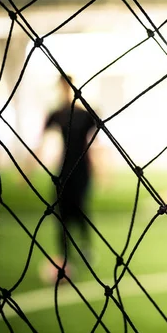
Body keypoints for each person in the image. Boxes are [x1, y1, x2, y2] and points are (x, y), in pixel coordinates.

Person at [37, 74, 97, 276]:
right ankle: (64, 257)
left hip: (82, 170)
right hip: (63, 170)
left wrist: (102, 168)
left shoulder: (85, 114)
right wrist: (27, 168)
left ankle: (86, 248)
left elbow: (95, 144)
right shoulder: (57, 113)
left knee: (80, 210)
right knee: (60, 213)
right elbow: (42, 140)